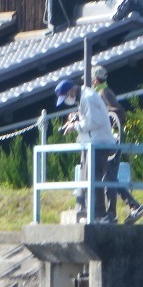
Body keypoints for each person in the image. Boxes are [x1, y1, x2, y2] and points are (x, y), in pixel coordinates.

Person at [56, 78, 114, 222]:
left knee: (93, 178)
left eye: (66, 96)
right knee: (89, 178)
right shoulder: (83, 98)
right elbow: (90, 118)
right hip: (93, 143)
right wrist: (76, 117)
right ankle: (95, 213)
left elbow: (94, 121)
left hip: (99, 142)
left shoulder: (87, 98)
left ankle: (101, 215)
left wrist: (74, 126)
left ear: (71, 91)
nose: (67, 100)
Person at [92, 66, 143, 224]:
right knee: (109, 176)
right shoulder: (102, 92)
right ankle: (118, 211)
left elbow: (119, 112)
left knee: (108, 176)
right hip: (108, 139)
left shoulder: (103, 93)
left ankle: (125, 209)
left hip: (110, 140)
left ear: (95, 80)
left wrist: (110, 127)